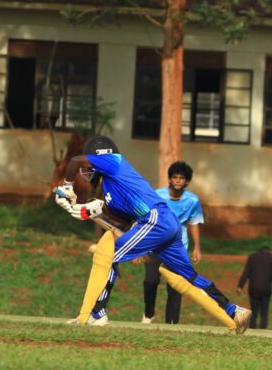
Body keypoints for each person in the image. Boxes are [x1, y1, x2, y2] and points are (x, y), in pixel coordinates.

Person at [55, 135, 250, 332]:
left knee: (107, 256)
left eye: (91, 163)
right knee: (188, 276)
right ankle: (234, 311)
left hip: (156, 219)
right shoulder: (110, 188)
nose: (86, 171)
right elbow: (125, 222)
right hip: (164, 223)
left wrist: (67, 188)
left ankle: (95, 314)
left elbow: (75, 161)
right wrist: (88, 211)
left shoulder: (113, 161)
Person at [142, 161, 205, 324]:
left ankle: (172, 322)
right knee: (150, 281)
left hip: (178, 248)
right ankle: (148, 314)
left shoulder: (192, 200)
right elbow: (147, 220)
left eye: (181, 178)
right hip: (156, 246)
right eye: (175, 177)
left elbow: (194, 223)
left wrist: (197, 247)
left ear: (187, 181)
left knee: (176, 285)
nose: (178, 180)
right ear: (169, 179)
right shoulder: (158, 196)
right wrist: (141, 246)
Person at [237, 245, 272, 329]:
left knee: (253, 312)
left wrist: (240, 286)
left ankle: (251, 330)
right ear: (269, 251)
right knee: (264, 314)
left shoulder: (252, 258)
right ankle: (263, 330)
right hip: (266, 290)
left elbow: (246, 273)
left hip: (253, 289)